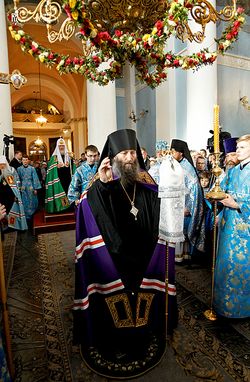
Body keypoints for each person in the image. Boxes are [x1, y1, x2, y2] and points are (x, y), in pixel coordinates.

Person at [73, 129, 178, 378]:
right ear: (113, 156)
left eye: (132, 152)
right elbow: (87, 208)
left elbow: (159, 206)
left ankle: (141, 332)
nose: (129, 157)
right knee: (116, 297)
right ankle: (113, 336)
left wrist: (174, 197)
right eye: (124, 153)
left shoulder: (147, 182)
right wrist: (101, 183)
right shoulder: (102, 183)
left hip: (143, 252)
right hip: (113, 256)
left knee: (141, 294)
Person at [214, 134, 250, 318]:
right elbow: (221, 191)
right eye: (237, 147)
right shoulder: (234, 171)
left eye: (242, 147)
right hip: (229, 225)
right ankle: (223, 305)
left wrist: (237, 205)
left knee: (241, 268)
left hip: (245, 230)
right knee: (225, 265)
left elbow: (237, 200)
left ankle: (242, 309)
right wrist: (221, 211)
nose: (238, 151)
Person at [170, 139, 205, 263]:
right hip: (175, 203)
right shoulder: (176, 164)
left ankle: (184, 256)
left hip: (184, 205)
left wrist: (188, 207)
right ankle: (179, 256)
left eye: (173, 151)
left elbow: (194, 190)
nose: (171, 153)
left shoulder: (187, 168)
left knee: (182, 231)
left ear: (181, 153)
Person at [45, 138, 75, 213]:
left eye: (63, 146)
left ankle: (69, 207)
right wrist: (56, 166)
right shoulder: (53, 158)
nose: (61, 147)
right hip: (58, 179)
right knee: (61, 193)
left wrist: (72, 163)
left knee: (68, 192)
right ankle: (61, 208)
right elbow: (50, 169)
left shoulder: (69, 156)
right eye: (59, 146)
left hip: (68, 179)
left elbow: (73, 168)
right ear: (57, 147)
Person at [0, 155, 27, 231]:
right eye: (0, 164)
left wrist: (16, 194)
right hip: (2, 197)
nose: (2, 166)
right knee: (3, 212)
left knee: (10, 211)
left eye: (3, 164)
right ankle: (4, 226)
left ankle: (12, 226)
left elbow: (14, 185)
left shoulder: (10, 171)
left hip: (10, 197)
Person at [17, 155, 41, 224]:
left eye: (26, 160)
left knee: (32, 200)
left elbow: (35, 178)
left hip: (31, 187)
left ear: (28, 161)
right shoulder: (19, 169)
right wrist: (19, 188)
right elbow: (18, 179)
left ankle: (32, 214)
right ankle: (26, 215)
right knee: (24, 201)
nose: (25, 161)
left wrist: (36, 188)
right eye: (24, 160)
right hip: (23, 187)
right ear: (22, 161)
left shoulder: (32, 168)